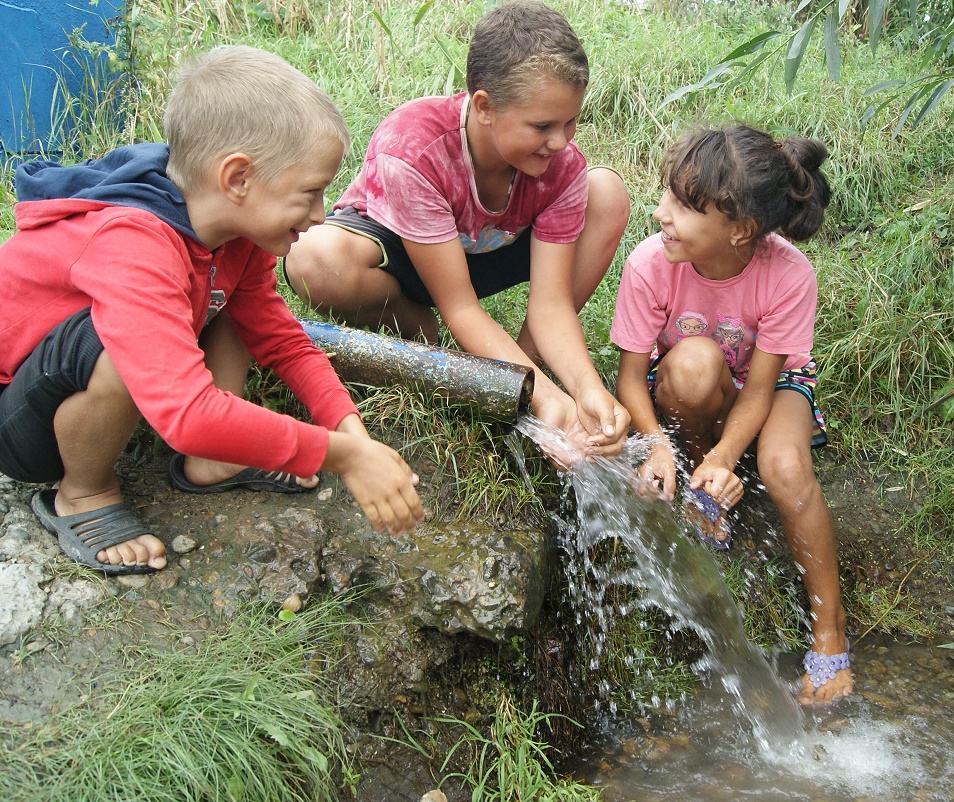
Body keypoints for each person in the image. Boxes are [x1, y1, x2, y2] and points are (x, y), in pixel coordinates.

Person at [0, 45, 424, 576]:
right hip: (17, 420)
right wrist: (338, 455)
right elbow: (186, 415)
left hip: (90, 391)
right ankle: (83, 493)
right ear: (238, 178)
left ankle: (214, 458)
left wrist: (354, 434)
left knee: (232, 308)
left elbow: (283, 341)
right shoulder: (133, 243)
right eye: (311, 192)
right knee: (116, 340)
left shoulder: (235, 233)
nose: (322, 214)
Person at [284, 0, 630, 465]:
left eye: (571, 122)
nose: (562, 141)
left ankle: (526, 372)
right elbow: (460, 305)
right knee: (313, 259)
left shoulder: (560, 167)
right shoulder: (414, 148)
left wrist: (584, 386)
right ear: (484, 106)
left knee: (606, 192)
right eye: (543, 125)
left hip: (490, 250)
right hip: (404, 256)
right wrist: (544, 397)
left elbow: (551, 304)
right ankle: (426, 337)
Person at [608, 124, 853, 705]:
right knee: (693, 364)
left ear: (740, 231)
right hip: (693, 386)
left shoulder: (789, 274)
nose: (662, 212)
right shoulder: (651, 263)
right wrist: (660, 447)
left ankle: (829, 635)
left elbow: (763, 389)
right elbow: (628, 378)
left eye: (686, 205)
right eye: (668, 193)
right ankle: (703, 488)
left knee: (787, 469)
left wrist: (728, 455)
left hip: (768, 389)